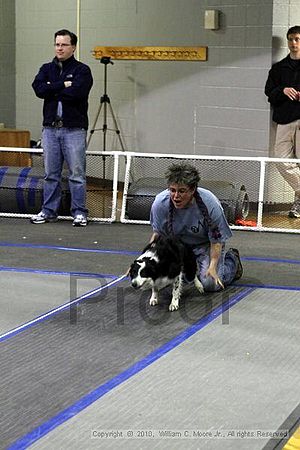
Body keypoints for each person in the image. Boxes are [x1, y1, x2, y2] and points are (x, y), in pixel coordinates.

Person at [30, 29, 93, 226]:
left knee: (76, 174)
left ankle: (79, 212)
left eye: (64, 44)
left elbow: (77, 93)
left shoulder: (83, 70)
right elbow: (38, 89)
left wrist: (52, 88)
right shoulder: (45, 68)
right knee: (51, 174)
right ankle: (48, 211)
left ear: (73, 47)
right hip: (50, 129)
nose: (59, 48)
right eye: (57, 44)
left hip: (74, 129)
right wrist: (62, 84)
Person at [149, 162, 243, 292]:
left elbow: (216, 241)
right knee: (153, 280)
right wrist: (148, 259)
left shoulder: (210, 204)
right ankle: (189, 272)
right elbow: (157, 236)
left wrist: (212, 266)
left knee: (210, 284)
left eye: (182, 191)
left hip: (205, 245)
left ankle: (232, 261)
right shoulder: (160, 204)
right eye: (172, 190)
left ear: (193, 190)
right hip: (178, 247)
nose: (176, 196)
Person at [265, 25, 300, 218]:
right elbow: (269, 91)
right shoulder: (279, 68)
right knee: (281, 161)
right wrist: (283, 90)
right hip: (284, 119)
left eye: (297, 39)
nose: (294, 43)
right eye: (291, 39)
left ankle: (298, 203)